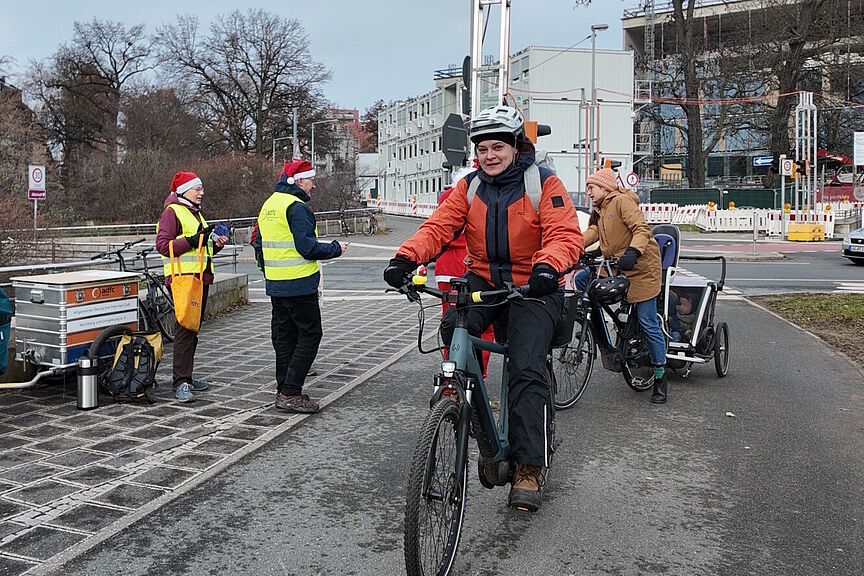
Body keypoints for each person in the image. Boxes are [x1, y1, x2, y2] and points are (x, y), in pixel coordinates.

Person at [383, 105, 583, 512]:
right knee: (453, 330)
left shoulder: (543, 182)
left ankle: (529, 466)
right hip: (486, 280)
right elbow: (438, 227)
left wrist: (548, 266)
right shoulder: (470, 187)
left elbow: (565, 234)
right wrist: (406, 257)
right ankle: (467, 411)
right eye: (483, 149)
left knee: (526, 368)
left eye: (498, 147)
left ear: (515, 146)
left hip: (533, 285)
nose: (490, 155)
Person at [253, 159, 347, 413]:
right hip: (300, 284)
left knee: (284, 337)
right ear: (299, 181)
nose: (313, 185)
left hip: (276, 284)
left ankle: (283, 388)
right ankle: (291, 391)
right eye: (311, 180)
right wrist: (335, 248)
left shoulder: (270, 204)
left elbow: (258, 243)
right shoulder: (297, 207)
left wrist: (269, 271)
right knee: (310, 334)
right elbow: (307, 248)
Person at [572, 168, 667, 404]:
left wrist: (633, 251)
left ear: (605, 187)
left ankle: (660, 376)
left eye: (591, 188)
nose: (588, 192)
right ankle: (597, 329)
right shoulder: (600, 208)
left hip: (642, 268)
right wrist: (571, 246)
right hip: (617, 266)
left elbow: (641, 229)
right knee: (583, 279)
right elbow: (594, 232)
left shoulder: (622, 202)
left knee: (647, 321)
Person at [156, 171, 229, 403]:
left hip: (198, 278)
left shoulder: (194, 212)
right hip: (183, 279)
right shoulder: (172, 212)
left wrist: (216, 244)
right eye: (197, 189)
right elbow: (162, 245)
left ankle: (186, 376)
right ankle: (180, 382)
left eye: (201, 189)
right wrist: (191, 240)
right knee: (185, 330)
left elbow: (201, 248)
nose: (201, 193)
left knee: (192, 329)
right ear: (184, 191)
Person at [433, 171, 495, 380]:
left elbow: (438, 229)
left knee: (451, 322)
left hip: (444, 267)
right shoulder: (478, 195)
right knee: (481, 326)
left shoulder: (446, 197)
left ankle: (451, 371)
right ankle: (476, 375)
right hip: (467, 265)